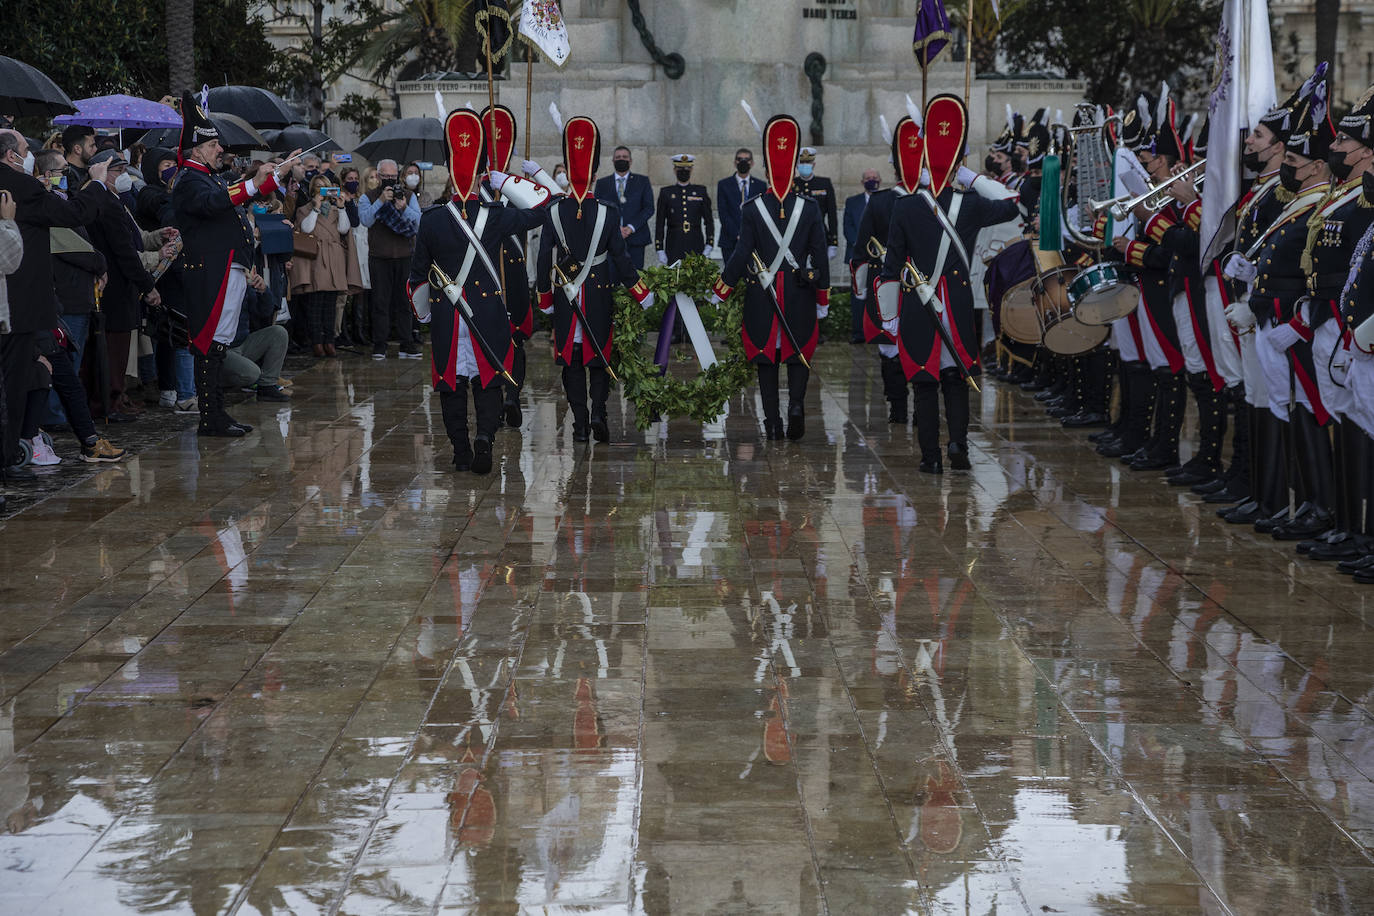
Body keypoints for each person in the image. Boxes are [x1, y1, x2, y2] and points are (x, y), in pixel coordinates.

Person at [408, 109, 553, 473]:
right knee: (488, 379)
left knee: (451, 384)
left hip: (448, 316)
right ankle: (485, 437)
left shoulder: (433, 219)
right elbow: (545, 204)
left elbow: (416, 279)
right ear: (480, 174)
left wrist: (426, 315)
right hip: (486, 312)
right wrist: (504, 181)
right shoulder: (497, 214)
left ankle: (461, 449)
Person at [880, 127, 1020, 473]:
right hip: (955, 304)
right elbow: (1012, 204)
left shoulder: (906, 206)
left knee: (925, 382)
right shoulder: (971, 203)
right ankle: (958, 444)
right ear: (957, 165)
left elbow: (891, 266)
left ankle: (931, 457)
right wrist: (969, 177)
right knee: (956, 379)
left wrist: (888, 317)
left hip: (918, 304)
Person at [169, 92, 297, 437]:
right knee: (209, 344)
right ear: (196, 150)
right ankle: (210, 417)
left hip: (226, 269)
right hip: (211, 271)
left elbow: (237, 192)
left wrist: (273, 175)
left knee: (218, 343)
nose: (219, 151)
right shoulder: (189, 180)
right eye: (213, 147)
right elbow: (216, 203)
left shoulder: (206, 176)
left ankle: (216, 413)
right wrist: (256, 183)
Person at [536, 116, 655, 444]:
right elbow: (622, 258)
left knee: (572, 361)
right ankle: (599, 411)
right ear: (594, 171)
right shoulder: (608, 211)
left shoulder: (554, 210)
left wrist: (544, 298)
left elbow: (544, 257)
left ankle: (580, 424)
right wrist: (640, 291)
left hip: (564, 296)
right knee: (599, 357)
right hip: (598, 294)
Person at [710, 115, 829, 441]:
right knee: (798, 352)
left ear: (765, 172)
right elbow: (819, 255)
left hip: (762, 295)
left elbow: (740, 254)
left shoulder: (752, 208)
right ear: (793, 171)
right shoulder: (809, 207)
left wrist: (721, 289)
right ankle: (796, 406)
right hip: (800, 293)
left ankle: (773, 421)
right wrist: (823, 297)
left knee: (766, 358)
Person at [0, 129, 110, 471]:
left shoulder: (26, 187)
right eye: (24, 149)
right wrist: (96, 184)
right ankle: (7, 459)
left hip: (15, 300)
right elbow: (73, 214)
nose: (29, 154)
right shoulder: (22, 187)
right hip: (20, 303)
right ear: (10, 155)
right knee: (14, 386)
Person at [84, 149, 169, 421]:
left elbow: (135, 239)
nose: (124, 177)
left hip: (119, 288)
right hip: (114, 288)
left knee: (118, 350)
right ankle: (108, 402)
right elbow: (125, 252)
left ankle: (115, 397)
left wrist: (157, 237)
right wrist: (148, 286)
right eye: (117, 171)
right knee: (113, 351)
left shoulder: (114, 200)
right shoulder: (106, 203)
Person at [853, 120, 917, 422]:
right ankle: (916, 408)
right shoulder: (932, 200)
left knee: (891, 349)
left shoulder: (879, 202)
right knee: (917, 345)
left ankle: (899, 408)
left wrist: (862, 290)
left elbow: (860, 250)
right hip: (918, 286)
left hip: (887, 286)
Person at [358, 157, 421, 360]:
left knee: (405, 302)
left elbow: (419, 222)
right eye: (386, 176)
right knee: (380, 303)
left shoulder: (408, 195)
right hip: (380, 256)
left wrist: (403, 207)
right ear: (378, 176)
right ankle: (380, 344)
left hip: (404, 256)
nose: (390, 180)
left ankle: (406, 343)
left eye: (393, 176)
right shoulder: (368, 197)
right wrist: (381, 202)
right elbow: (366, 220)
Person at [289, 173, 352, 357]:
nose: (321, 190)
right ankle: (317, 341)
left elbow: (344, 229)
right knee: (315, 303)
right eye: (317, 186)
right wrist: (315, 209)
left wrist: (342, 208)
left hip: (334, 258)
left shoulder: (334, 209)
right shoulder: (304, 209)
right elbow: (306, 229)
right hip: (316, 258)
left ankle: (330, 341)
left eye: (325, 187)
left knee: (330, 304)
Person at [594, 146, 654, 273]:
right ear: (613, 161)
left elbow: (649, 208)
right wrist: (615, 228)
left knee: (636, 280)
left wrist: (631, 227)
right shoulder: (602, 183)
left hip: (636, 240)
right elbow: (598, 210)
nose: (621, 159)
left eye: (625, 157)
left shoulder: (642, 181)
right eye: (618, 157)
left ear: (631, 161)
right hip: (610, 241)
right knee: (611, 282)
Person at [654, 154, 714, 265]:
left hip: (695, 242)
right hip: (674, 243)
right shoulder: (666, 193)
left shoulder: (701, 191)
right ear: (674, 170)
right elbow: (660, 223)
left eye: (687, 168)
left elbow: (709, 220)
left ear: (691, 169)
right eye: (680, 168)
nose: (683, 171)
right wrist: (659, 248)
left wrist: (709, 244)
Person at [843, 168, 880, 343]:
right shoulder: (852, 202)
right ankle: (858, 333)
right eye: (868, 178)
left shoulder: (886, 200)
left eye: (874, 178)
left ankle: (878, 332)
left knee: (878, 295)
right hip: (858, 257)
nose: (871, 180)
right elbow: (848, 228)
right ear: (862, 181)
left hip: (880, 257)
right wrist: (862, 248)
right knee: (858, 296)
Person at [717, 148, 766, 264]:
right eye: (740, 159)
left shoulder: (761, 186)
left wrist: (750, 235)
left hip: (753, 242)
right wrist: (737, 235)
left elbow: (762, 214)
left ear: (752, 163)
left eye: (747, 159)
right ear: (735, 162)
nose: (743, 162)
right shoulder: (724, 185)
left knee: (751, 278)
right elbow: (723, 214)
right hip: (730, 241)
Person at [793, 147, 839, 263]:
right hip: (796, 236)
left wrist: (833, 242)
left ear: (813, 164)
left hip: (819, 235)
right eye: (802, 162)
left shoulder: (824, 183)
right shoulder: (792, 185)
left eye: (808, 162)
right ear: (797, 165)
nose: (805, 165)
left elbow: (832, 214)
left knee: (819, 273)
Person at [61, 125, 96, 191]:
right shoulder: (66, 176)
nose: (95, 149)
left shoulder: (90, 170)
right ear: (77, 149)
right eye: (91, 146)